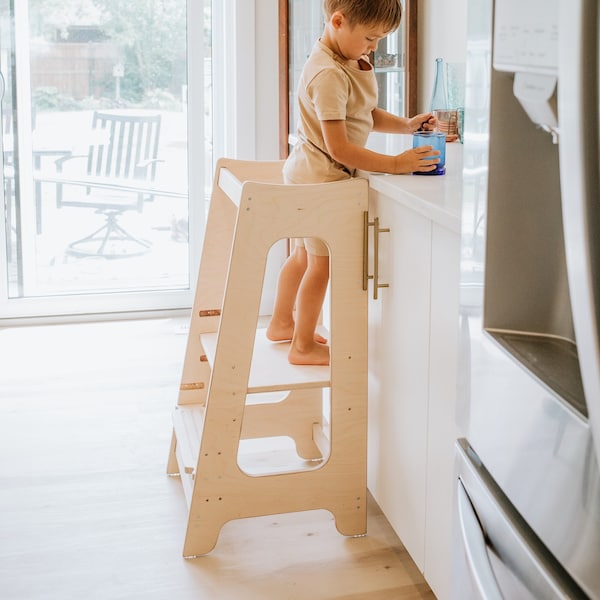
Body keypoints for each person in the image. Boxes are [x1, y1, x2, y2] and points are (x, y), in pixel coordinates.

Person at [266, 0, 439, 366]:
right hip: (320, 179)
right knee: (320, 264)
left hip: (307, 173)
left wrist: (406, 125)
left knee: (301, 256)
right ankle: (301, 346)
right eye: (371, 38)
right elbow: (341, 148)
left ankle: (281, 323)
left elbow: (364, 113)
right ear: (339, 21)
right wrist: (395, 163)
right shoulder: (327, 74)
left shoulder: (344, 59)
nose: (374, 47)